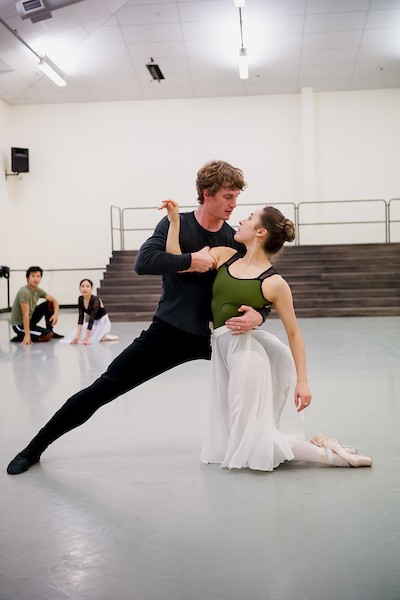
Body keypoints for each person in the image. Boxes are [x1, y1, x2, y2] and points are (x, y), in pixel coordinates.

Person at [6, 160, 268, 475]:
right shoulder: (177, 224)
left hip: (217, 336)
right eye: (228, 196)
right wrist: (189, 260)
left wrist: (260, 314)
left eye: (237, 197)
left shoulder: (232, 237)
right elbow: (143, 262)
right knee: (103, 388)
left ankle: (267, 445)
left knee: (265, 372)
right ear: (207, 193)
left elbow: (261, 283)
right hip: (169, 332)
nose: (234, 204)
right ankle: (33, 448)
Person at [161, 199, 373, 469]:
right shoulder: (224, 255)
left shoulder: (274, 283)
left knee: (253, 437)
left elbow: (294, 333)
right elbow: (177, 263)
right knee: (241, 434)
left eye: (249, 218)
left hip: (247, 354)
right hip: (224, 348)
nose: (241, 220)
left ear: (260, 232)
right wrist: (175, 222)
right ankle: (318, 448)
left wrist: (303, 382)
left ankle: (332, 457)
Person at [10, 266, 64, 345]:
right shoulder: (24, 292)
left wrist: (55, 315)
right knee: (48, 335)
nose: (36, 279)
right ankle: (21, 336)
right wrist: (27, 335)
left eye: (38, 276)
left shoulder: (37, 290)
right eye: (33, 276)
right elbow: (25, 315)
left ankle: (50, 329)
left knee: (50, 303)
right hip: (19, 325)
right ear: (28, 278)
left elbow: (54, 301)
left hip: (30, 319)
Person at [62, 279, 118, 345]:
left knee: (91, 338)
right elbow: (81, 317)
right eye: (82, 286)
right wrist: (77, 336)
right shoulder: (80, 299)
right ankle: (101, 336)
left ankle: (104, 335)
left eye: (87, 286)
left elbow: (91, 319)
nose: (85, 288)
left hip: (102, 322)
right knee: (75, 335)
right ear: (79, 288)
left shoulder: (95, 300)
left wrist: (86, 339)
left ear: (91, 288)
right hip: (93, 322)